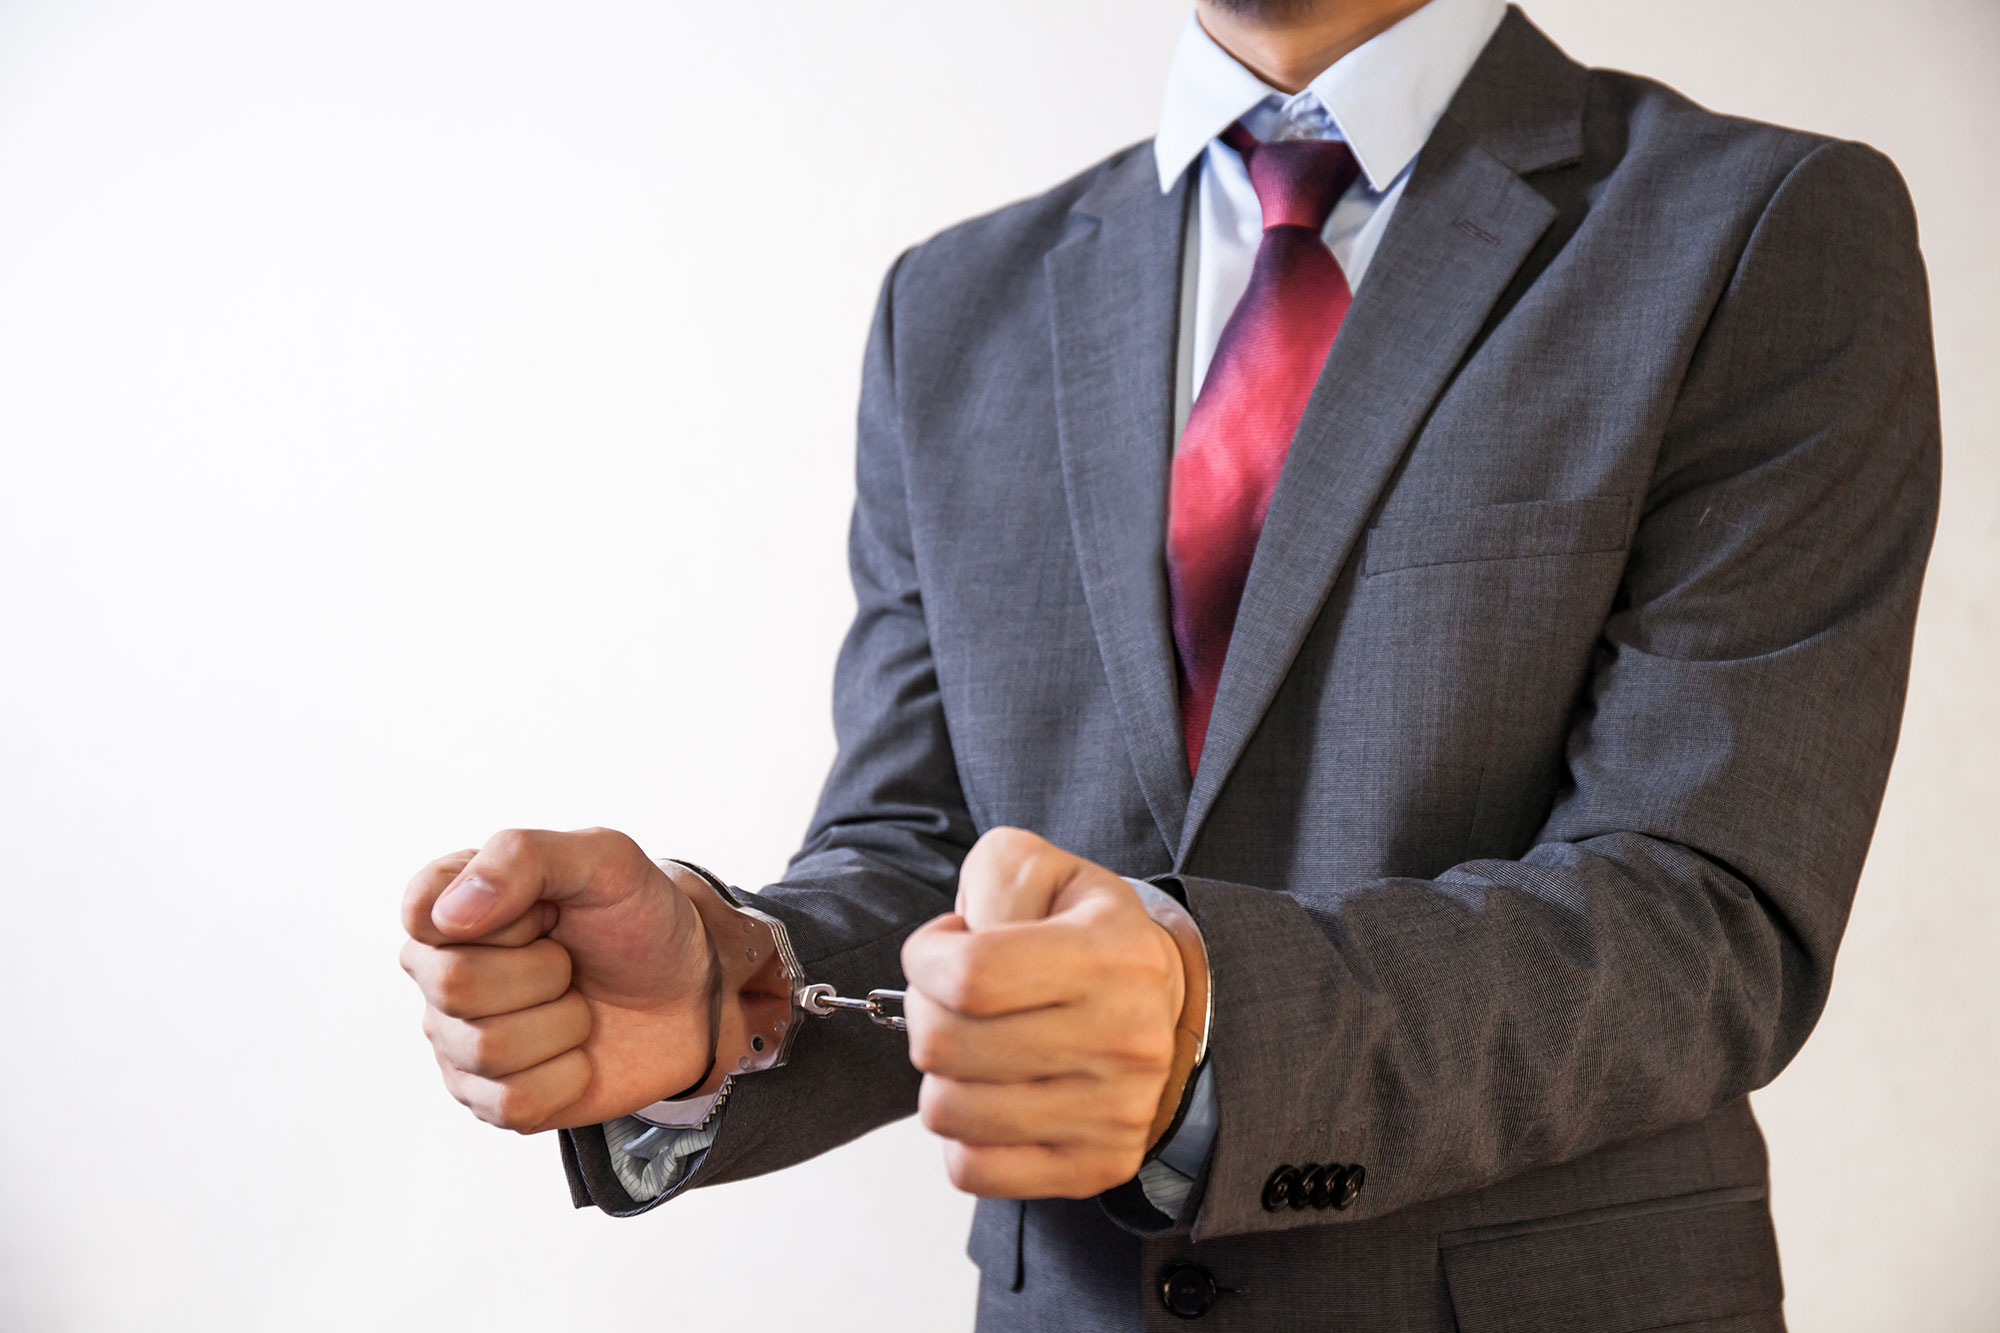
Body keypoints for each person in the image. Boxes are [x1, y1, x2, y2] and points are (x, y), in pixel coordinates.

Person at [397, 0, 1939, 1326]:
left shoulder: (1760, 229)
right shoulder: (951, 305)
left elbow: (1707, 914)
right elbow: (927, 856)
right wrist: (737, 994)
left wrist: (1218, 1021)